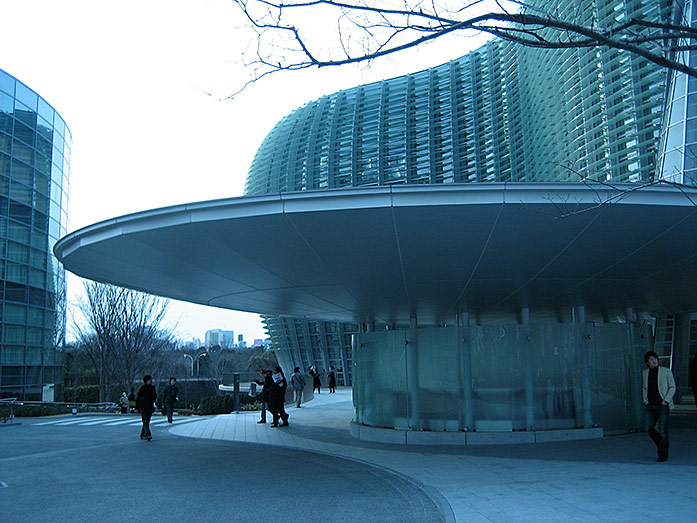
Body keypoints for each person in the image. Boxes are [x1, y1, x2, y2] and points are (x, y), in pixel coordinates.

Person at [642, 351, 676, 462]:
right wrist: (645, 400)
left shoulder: (666, 372)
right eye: (651, 359)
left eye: (655, 359)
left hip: (662, 405)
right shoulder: (645, 373)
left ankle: (663, 454)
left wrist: (666, 400)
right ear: (647, 362)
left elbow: (672, 387)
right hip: (650, 406)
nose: (654, 361)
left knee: (663, 430)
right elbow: (644, 387)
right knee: (649, 428)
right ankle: (661, 445)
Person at [136, 374, 157, 441]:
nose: (150, 381)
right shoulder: (142, 388)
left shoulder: (152, 388)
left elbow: (154, 397)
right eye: (149, 380)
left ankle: (142, 434)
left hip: (150, 406)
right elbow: (138, 398)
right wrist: (137, 407)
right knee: (145, 421)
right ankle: (148, 434)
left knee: (147, 421)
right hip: (143, 406)